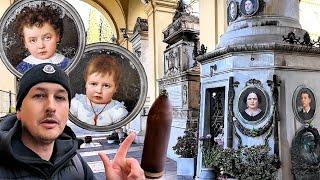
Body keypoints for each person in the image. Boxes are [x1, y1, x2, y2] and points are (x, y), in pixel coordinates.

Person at [0, 63, 145, 179]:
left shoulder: (76, 163)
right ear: (19, 110)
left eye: (60, 98)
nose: (51, 107)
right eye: (39, 96)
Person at [70, 55, 128, 126]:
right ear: (86, 83)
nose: (98, 90)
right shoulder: (77, 104)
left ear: (115, 88)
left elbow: (121, 133)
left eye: (106, 86)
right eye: (93, 84)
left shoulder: (117, 110)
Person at [14, 3, 71, 74]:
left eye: (47, 38)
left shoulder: (67, 63)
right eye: (33, 40)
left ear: (57, 36)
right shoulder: (22, 68)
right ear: (25, 43)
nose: (41, 46)